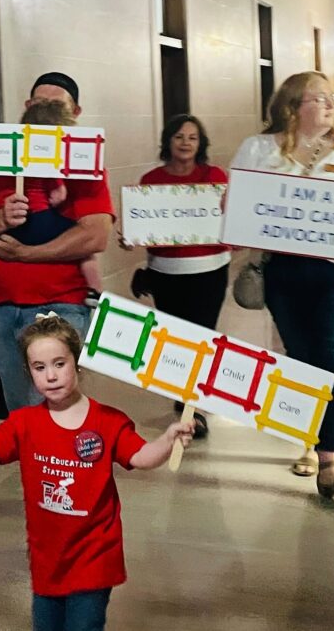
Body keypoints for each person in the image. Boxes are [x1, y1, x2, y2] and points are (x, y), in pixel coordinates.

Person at [0, 314, 195, 631]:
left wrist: (167, 440)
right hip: (47, 557)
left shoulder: (107, 421)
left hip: (94, 554)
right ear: (28, 372)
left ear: (77, 363)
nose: (51, 376)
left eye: (59, 363)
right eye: (39, 368)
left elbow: (140, 457)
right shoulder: (24, 423)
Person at [232, 72, 334, 500]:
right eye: (317, 98)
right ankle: (306, 438)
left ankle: (330, 460)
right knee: (301, 357)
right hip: (285, 271)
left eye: (331, 98)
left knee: (331, 356)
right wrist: (235, 207)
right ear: (291, 105)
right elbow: (239, 203)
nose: (328, 104)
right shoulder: (259, 148)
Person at [0, 72, 114, 412]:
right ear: (27, 107)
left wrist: (26, 253)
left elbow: (96, 235)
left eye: (55, 104)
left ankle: (59, 464)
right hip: (3, 310)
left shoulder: (83, 163)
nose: (45, 110)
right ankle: (34, 464)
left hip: (60, 308)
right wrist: (2, 218)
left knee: (50, 405)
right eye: (39, 103)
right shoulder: (0, 154)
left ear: (75, 111)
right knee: (20, 408)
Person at [128, 114, 229, 439]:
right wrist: (131, 236)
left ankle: (193, 409)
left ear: (201, 144)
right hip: (165, 272)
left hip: (210, 271)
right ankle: (182, 395)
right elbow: (142, 229)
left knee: (202, 338)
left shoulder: (214, 177)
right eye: (179, 137)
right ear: (168, 141)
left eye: (193, 137)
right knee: (175, 340)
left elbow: (229, 222)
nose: (186, 143)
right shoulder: (151, 180)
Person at [0, 99, 103, 309]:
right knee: (84, 249)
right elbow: (59, 195)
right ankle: (95, 291)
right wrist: (55, 200)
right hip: (39, 220)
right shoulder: (47, 160)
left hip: (10, 229)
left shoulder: (0, 159)